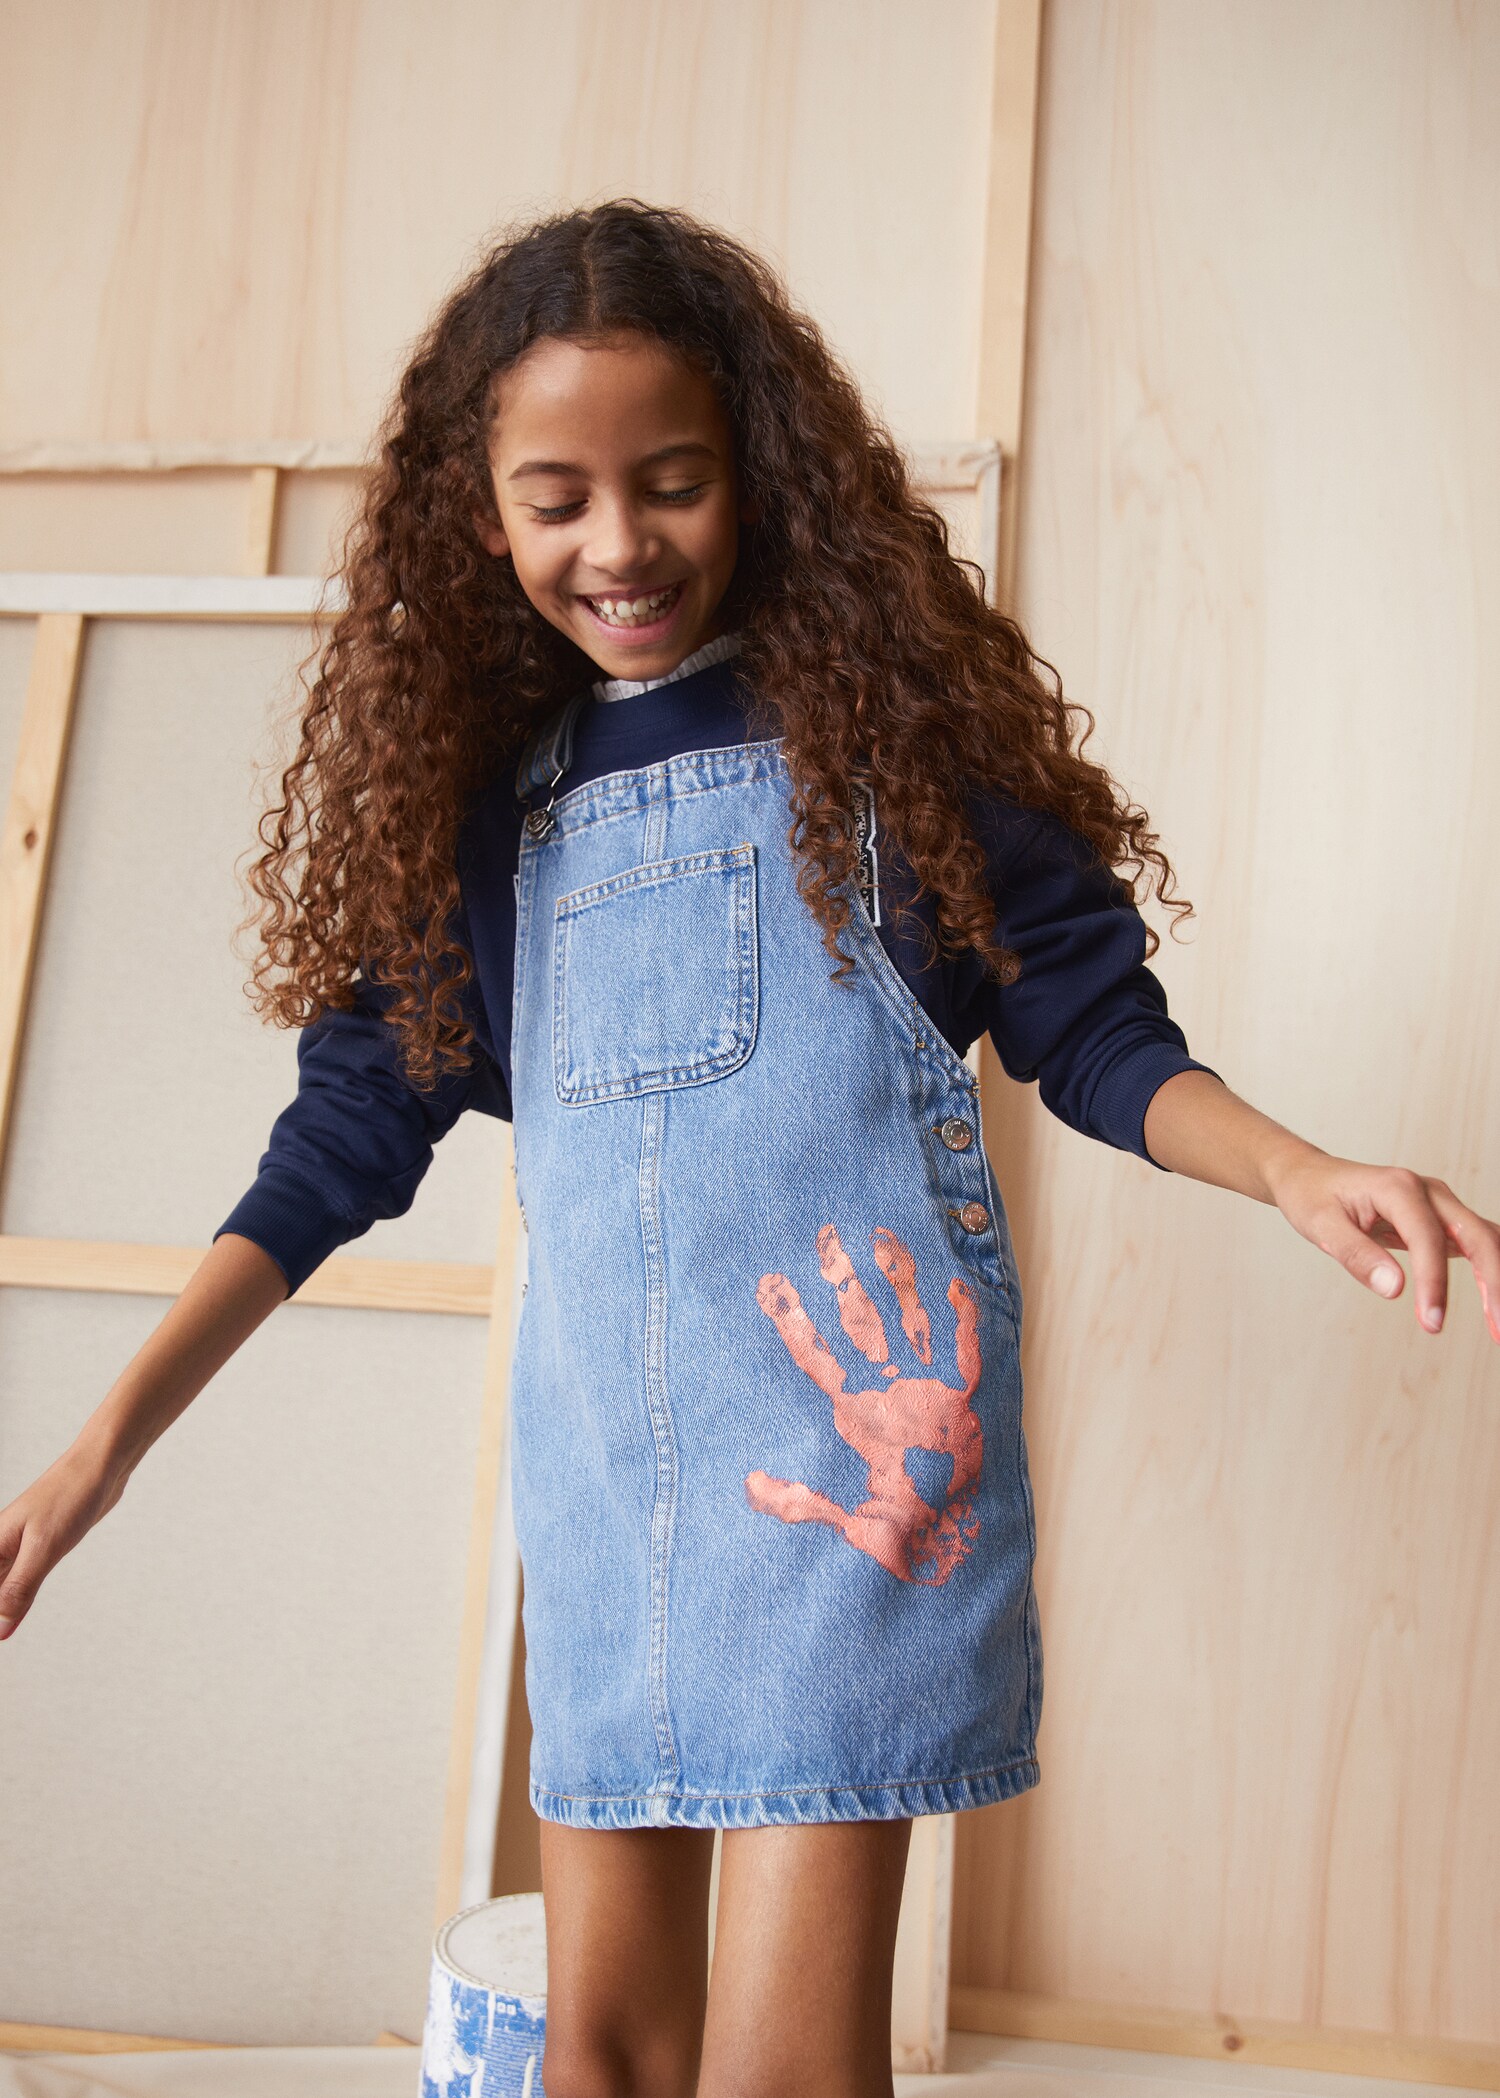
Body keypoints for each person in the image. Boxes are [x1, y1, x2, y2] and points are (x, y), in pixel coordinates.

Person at [1, 198, 1495, 2098]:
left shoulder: (886, 745)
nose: (619, 543)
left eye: (675, 480)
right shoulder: (484, 817)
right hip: (614, 1479)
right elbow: (338, 1146)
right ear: (485, 517)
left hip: (856, 1471)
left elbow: (1095, 1028)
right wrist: (100, 1443)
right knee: (601, 2058)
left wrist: (1296, 1168)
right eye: (559, 497)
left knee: (784, 2077)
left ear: (760, 476)